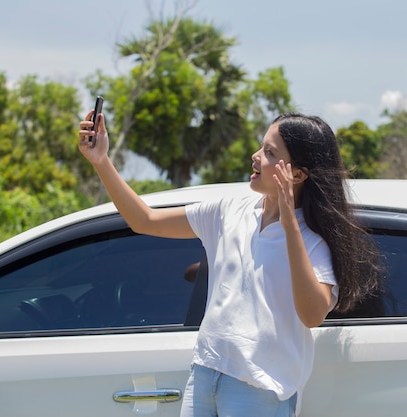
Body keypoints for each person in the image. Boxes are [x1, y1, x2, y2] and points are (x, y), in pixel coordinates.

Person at [78, 110, 382, 417]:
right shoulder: (229, 210)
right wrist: (101, 161)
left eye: (269, 152)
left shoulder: (313, 240)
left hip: (260, 391)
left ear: (298, 175)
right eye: (261, 147)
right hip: (205, 375)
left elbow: (312, 314)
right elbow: (145, 220)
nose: (255, 156)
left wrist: (290, 226)